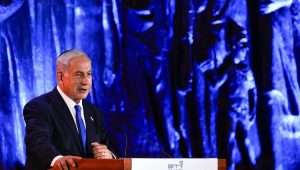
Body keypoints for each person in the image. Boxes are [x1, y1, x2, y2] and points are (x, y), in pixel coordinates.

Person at [23, 49, 115, 170]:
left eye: (89, 74)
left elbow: (106, 146)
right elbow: (38, 142)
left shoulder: (94, 112)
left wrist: (109, 156)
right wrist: (57, 159)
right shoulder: (39, 107)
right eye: (79, 74)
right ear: (60, 77)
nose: (86, 81)